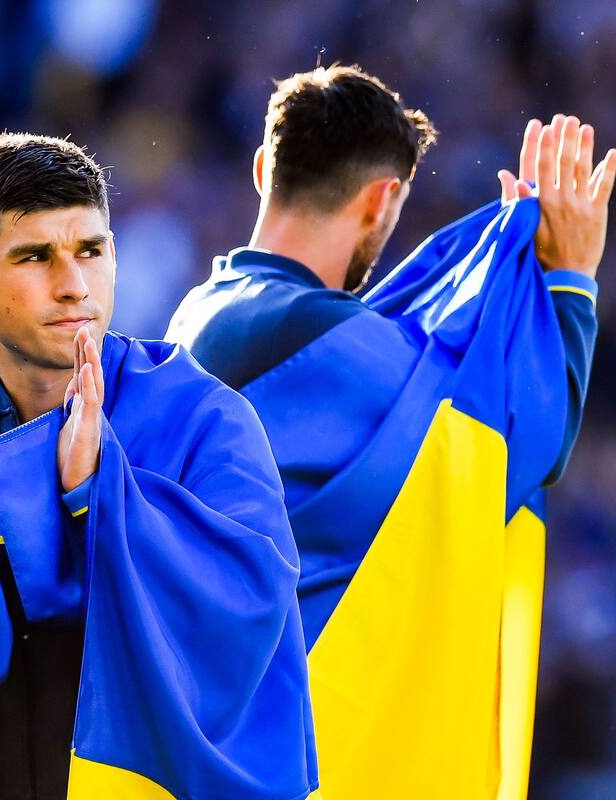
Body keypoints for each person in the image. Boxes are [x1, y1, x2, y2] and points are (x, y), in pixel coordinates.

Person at [0, 133, 318, 799]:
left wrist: (98, 495)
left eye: (91, 251)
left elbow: (248, 613)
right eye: (35, 256)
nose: (74, 286)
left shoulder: (203, 419)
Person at [166, 65, 614, 798]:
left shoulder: (196, 315)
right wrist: (566, 283)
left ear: (259, 171)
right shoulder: (315, 336)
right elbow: (515, 445)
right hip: (293, 757)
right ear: (384, 199)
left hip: (205, 741)